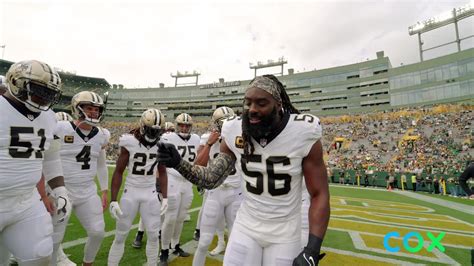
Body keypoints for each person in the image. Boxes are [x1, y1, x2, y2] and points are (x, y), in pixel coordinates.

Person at [158, 75, 330, 266]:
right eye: (248, 103)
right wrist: (178, 163)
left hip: (285, 230)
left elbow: (319, 194)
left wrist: (313, 249)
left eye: (261, 103)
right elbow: (211, 179)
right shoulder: (234, 129)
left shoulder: (302, 131)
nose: (252, 110)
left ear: (278, 104)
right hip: (246, 225)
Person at [0, 60, 71, 265]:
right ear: (17, 83)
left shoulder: (49, 117)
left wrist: (60, 191)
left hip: (26, 201)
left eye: (49, 93)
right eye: (38, 90)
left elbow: (49, 158)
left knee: (40, 255)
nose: (44, 98)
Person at [49, 91, 110, 266]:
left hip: (88, 191)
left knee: (98, 232)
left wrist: (104, 190)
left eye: (97, 109)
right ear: (78, 108)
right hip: (61, 190)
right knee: (54, 239)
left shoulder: (102, 134)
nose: (93, 112)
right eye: (89, 108)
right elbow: (46, 158)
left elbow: (101, 164)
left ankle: (87, 264)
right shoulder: (60, 128)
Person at [108, 108, 168, 266]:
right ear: (142, 126)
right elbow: (119, 171)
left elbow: (162, 171)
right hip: (131, 192)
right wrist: (113, 199)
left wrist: (166, 197)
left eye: (157, 131)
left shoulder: (161, 145)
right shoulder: (129, 141)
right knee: (120, 236)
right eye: (150, 130)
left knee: (154, 236)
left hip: (150, 193)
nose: (153, 135)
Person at [192, 106, 243, 266]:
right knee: (204, 241)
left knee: (238, 241)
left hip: (237, 192)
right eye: (223, 122)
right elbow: (197, 164)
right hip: (216, 192)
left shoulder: (242, 137)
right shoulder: (208, 138)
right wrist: (208, 144)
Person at [159, 113, 200, 265]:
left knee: (181, 217)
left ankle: (175, 245)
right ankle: (163, 250)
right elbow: (160, 160)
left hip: (187, 182)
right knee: (170, 218)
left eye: (187, 125)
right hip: (173, 180)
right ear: (176, 125)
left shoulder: (196, 138)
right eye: (181, 125)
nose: (184, 128)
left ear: (191, 127)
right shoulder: (168, 137)